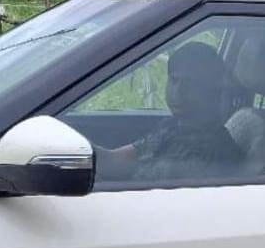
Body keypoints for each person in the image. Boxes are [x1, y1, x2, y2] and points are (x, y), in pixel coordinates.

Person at [101, 42, 242, 182]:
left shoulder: (212, 153)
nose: (178, 92)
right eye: (174, 80)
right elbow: (114, 160)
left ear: (212, 90)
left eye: (191, 84)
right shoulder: (172, 126)